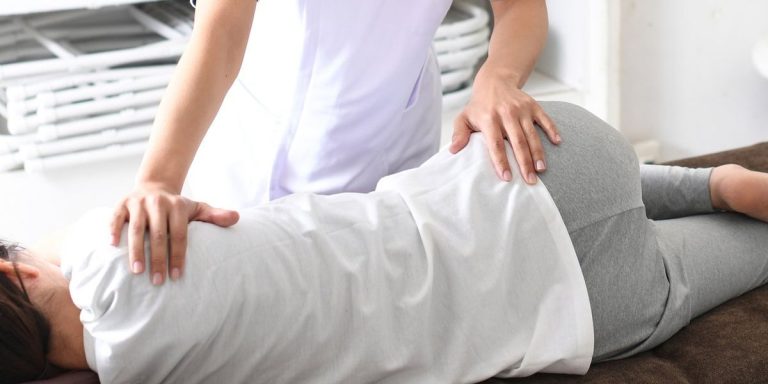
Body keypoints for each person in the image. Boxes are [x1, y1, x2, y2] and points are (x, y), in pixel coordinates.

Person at [3, 103, 768, 383]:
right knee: (600, 184)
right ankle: (706, 184)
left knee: (708, 265)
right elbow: (61, 261)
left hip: (593, 305)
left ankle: (716, 203)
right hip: (535, 157)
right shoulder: (109, 246)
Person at [109, 0, 561, 286]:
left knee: (386, 301)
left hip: (395, 132)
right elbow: (222, 28)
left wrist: (498, 78)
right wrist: (158, 180)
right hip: (257, 156)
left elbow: (521, 6)